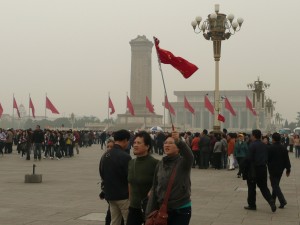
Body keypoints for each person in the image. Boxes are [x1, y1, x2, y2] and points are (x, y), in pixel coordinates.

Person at [146, 131, 194, 225]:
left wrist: (179, 141)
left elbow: (190, 156)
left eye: (171, 143)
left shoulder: (183, 162)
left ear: (178, 148)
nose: (167, 145)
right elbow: (155, 185)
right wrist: (149, 212)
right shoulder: (160, 164)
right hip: (163, 208)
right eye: (165, 143)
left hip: (181, 209)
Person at [100, 129, 132, 225]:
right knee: (128, 221)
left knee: (114, 221)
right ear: (125, 140)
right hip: (123, 196)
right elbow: (129, 178)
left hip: (110, 195)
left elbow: (102, 174)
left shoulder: (105, 155)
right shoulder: (125, 156)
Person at [127, 131, 159, 225]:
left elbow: (161, 183)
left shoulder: (155, 163)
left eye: (139, 143)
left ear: (147, 146)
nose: (135, 145)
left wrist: (152, 190)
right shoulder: (131, 163)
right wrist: (130, 200)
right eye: (134, 143)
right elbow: (129, 183)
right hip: (134, 208)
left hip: (150, 209)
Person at [243, 129, 276, 212]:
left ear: (254, 136)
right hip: (263, 168)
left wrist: (244, 169)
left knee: (251, 187)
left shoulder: (252, 145)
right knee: (264, 187)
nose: (250, 136)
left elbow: (249, 158)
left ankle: (252, 205)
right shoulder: (265, 145)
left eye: (251, 135)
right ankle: (271, 201)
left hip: (253, 169)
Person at [268, 132, 291, 208]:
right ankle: (273, 200)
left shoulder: (270, 148)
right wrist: (288, 169)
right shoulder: (283, 148)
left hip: (272, 169)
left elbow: (268, 159)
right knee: (276, 185)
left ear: (273, 139)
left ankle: (282, 200)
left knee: (274, 185)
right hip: (281, 169)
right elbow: (287, 160)